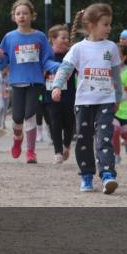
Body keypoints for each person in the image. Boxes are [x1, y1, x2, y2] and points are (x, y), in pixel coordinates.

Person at [50, 3, 124, 194]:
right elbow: (65, 68)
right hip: (83, 102)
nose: (109, 28)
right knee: (83, 139)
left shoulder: (112, 48)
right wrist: (57, 86)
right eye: (105, 24)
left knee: (104, 139)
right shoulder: (78, 48)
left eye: (110, 24)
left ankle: (108, 175)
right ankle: (86, 175)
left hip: (106, 101)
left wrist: (117, 98)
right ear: (91, 25)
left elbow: (116, 75)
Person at [0, 0, 58, 164]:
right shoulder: (9, 37)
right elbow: (2, 62)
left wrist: (58, 67)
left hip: (35, 82)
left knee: (30, 115)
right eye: (18, 13)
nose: (22, 16)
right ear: (14, 17)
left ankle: (30, 152)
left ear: (32, 16)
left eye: (25, 13)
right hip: (16, 82)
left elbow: (47, 60)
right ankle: (17, 139)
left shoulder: (40, 37)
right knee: (16, 119)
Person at [44, 24, 75, 164]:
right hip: (51, 96)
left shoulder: (72, 55)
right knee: (55, 123)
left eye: (68, 38)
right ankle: (57, 151)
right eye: (63, 38)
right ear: (53, 39)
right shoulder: (46, 56)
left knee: (69, 124)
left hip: (69, 96)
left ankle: (66, 145)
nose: (66, 40)